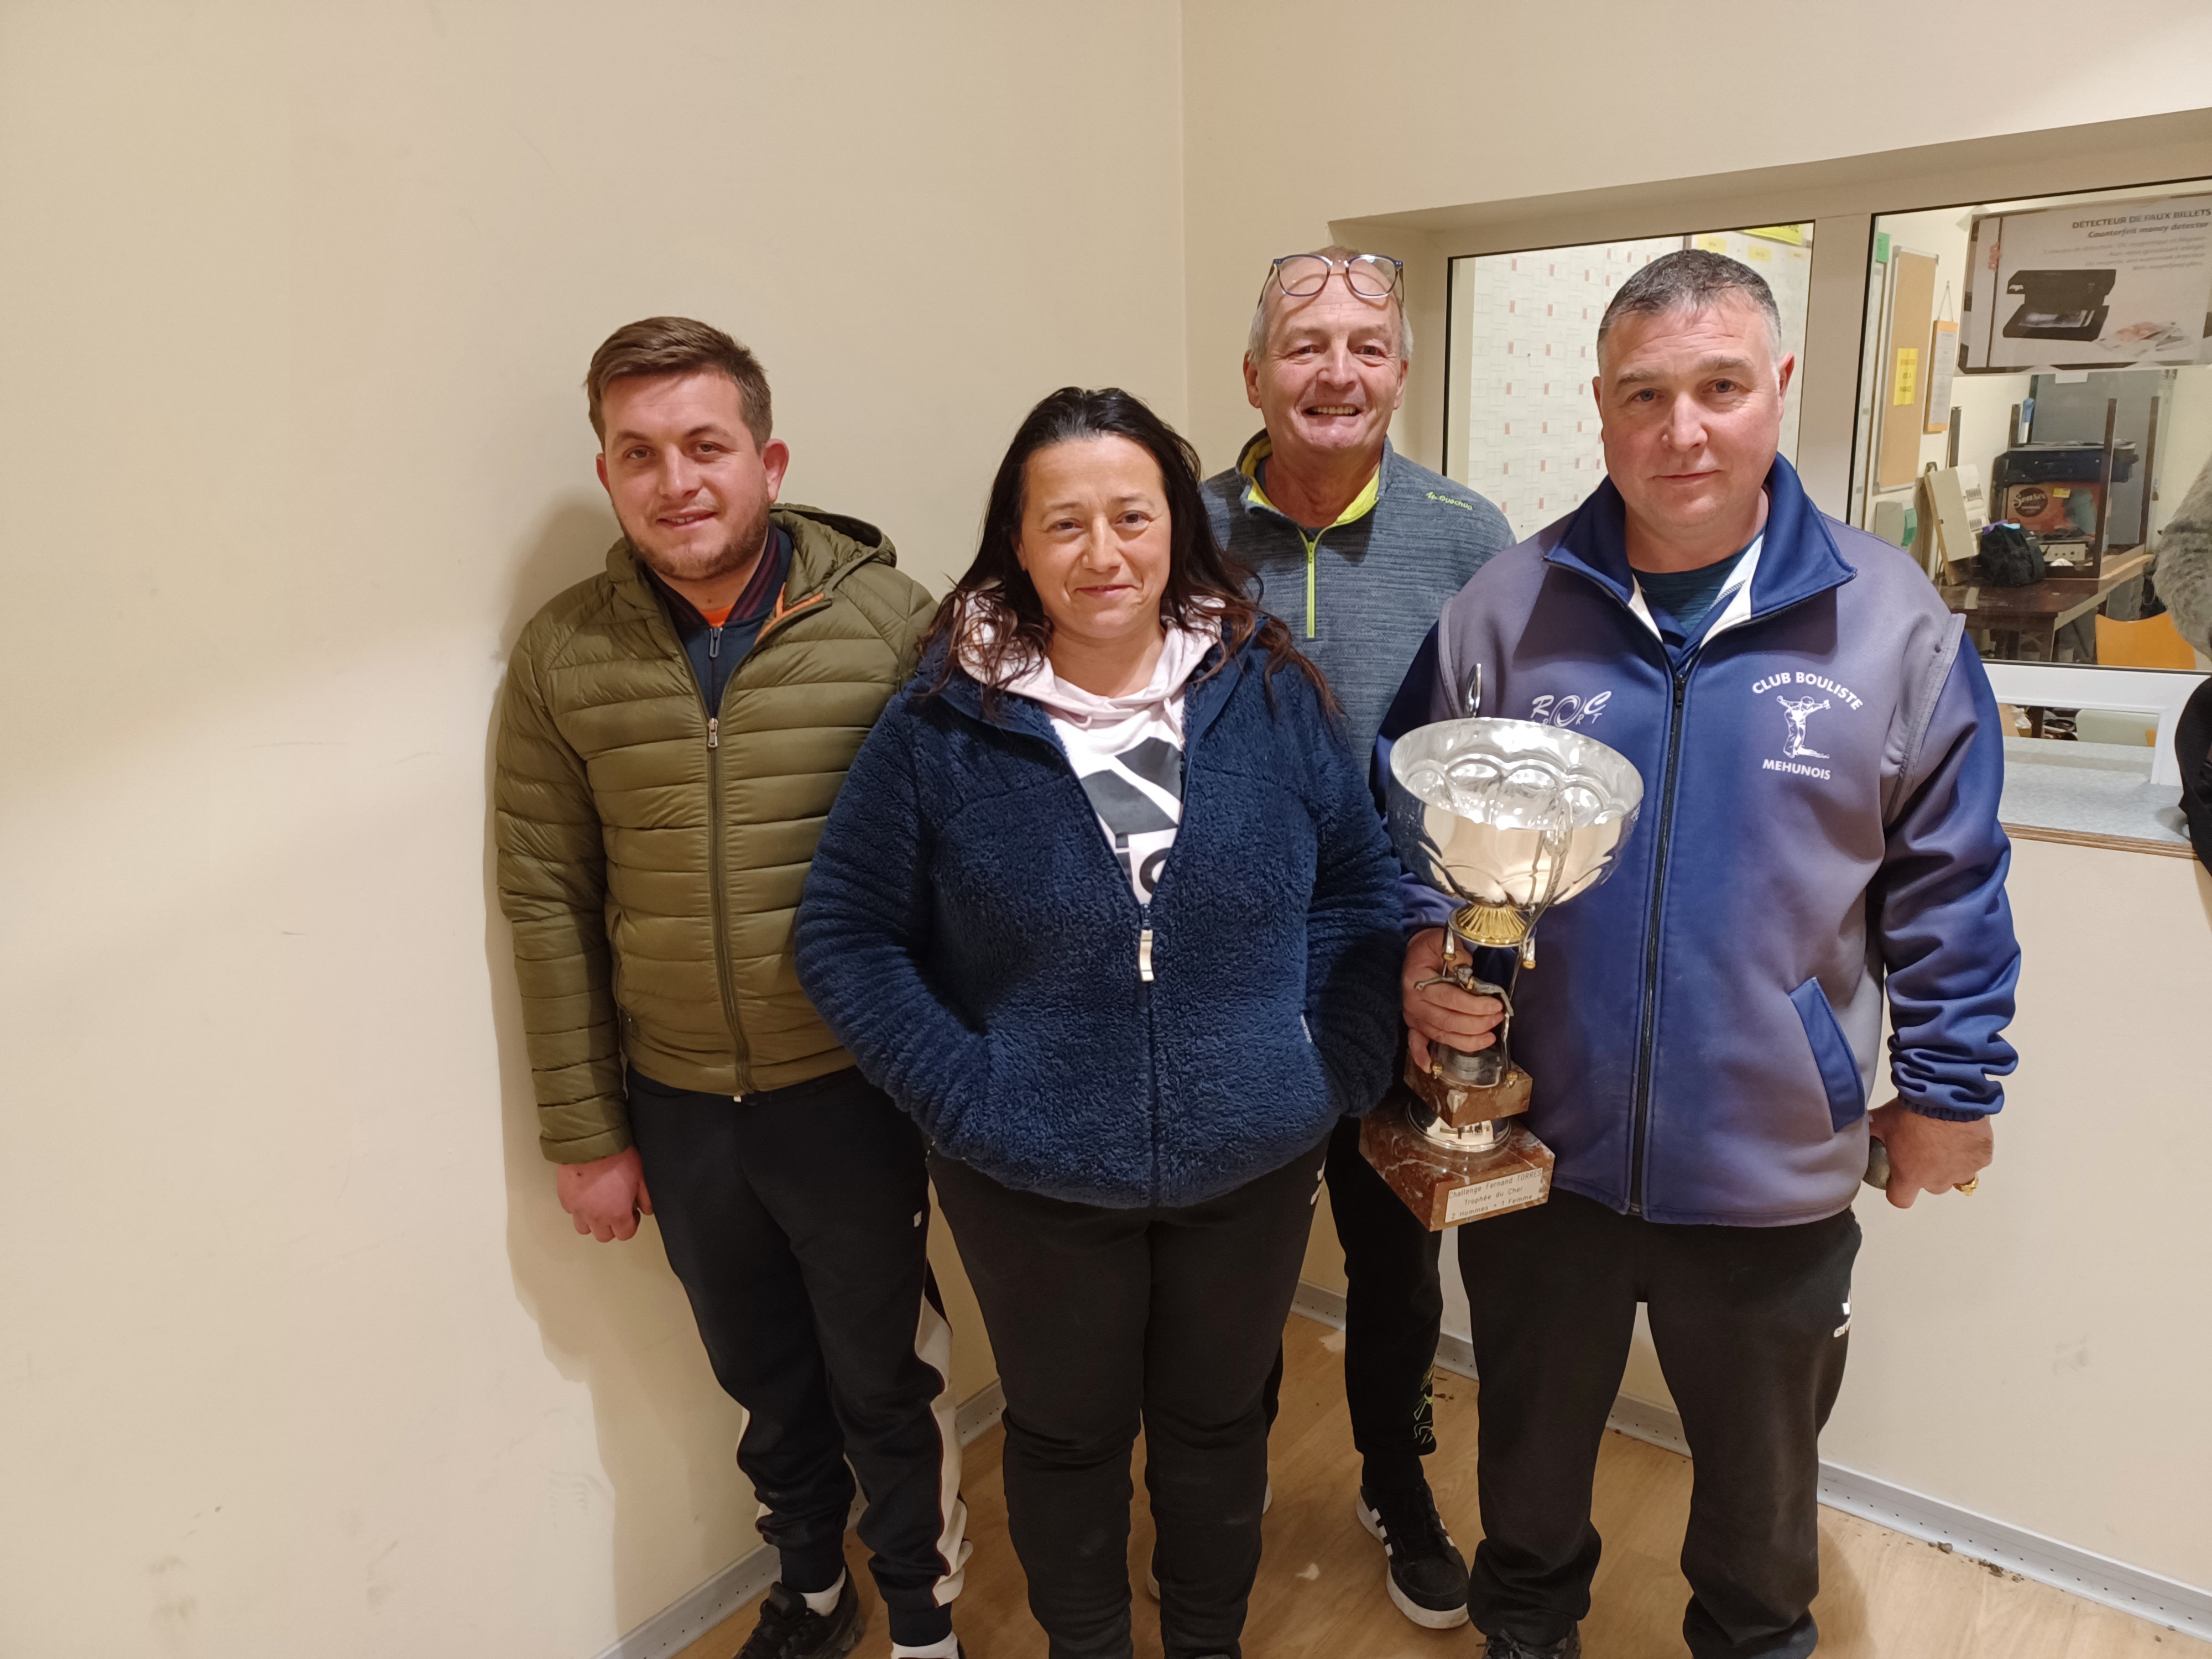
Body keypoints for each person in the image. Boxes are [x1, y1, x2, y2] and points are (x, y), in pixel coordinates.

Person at [1388, 250, 2020, 1659]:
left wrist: (1952, 1090)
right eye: (1644, 393)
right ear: (1600, 410)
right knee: (1528, 1485)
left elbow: (1950, 880)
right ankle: (1525, 1635)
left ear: (1776, 391)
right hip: (1537, 1156)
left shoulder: (1890, 617)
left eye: (1719, 388)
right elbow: (1407, 824)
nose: (1682, 430)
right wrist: (1418, 955)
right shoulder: (1505, 607)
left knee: (1756, 1518)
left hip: (1769, 1171)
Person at [795, 387, 1405, 1659]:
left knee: (1217, 1428)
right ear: (1015, 543)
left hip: (1251, 1159)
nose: (1102, 552)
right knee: (1064, 1439)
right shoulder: (940, 720)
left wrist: (1330, 1068)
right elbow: (844, 937)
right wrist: (973, 1098)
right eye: (1062, 523)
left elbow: (1355, 887)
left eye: (1131, 516)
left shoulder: (1270, 691)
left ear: (1177, 526)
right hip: (1029, 1176)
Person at [495, 317, 969, 1659]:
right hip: (684, 1102)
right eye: (637, 453)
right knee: (760, 1377)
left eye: (705, 445)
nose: (675, 480)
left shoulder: (890, 620)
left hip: (853, 1091)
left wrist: (951, 1068)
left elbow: (970, 852)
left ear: (766, 458)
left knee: (885, 1377)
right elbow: (544, 899)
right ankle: (811, 1588)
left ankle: (925, 1618)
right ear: (606, 473)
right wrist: (585, 1133)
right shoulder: (563, 656)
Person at [1199, 245, 1514, 1629]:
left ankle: (1394, 1473)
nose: (1336, 371)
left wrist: (1447, 939)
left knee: (1393, 1265)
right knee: (1231, 1264)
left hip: (1402, 970)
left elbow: (1499, 756)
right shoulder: (1178, 524)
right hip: (1224, 977)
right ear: (1254, 374)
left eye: (1365, 346)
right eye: (1305, 344)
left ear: (1400, 371)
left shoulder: (1466, 534)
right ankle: (1222, 1492)